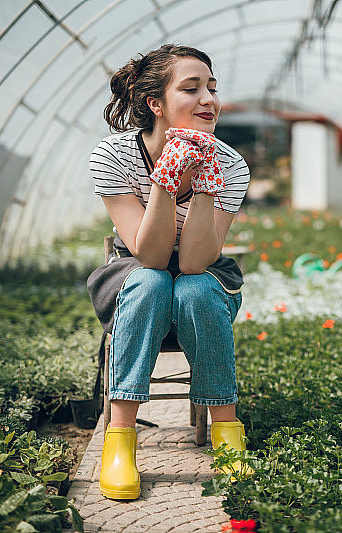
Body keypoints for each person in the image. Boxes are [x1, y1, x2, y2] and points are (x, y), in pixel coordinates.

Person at [88, 44, 251, 500]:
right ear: (155, 104)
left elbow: (195, 262)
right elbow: (151, 256)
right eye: (191, 88)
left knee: (196, 288)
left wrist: (202, 183)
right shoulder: (113, 156)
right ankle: (120, 442)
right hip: (134, 279)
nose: (209, 100)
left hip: (202, 283)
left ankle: (227, 432)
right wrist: (165, 178)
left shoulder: (231, 164)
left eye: (212, 89)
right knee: (150, 281)